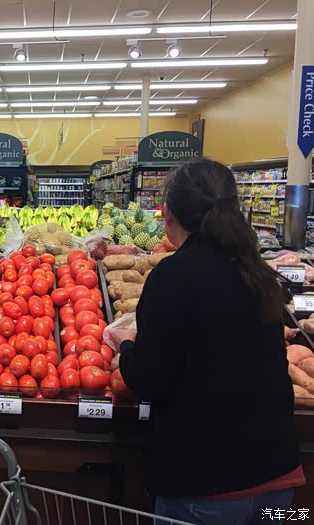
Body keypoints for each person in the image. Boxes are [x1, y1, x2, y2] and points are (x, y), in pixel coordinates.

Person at [118, 158, 304, 524]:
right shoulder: (257, 272)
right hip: (279, 483)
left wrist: (126, 347)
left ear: (168, 213)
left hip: (206, 488)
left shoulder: (173, 276)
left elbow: (148, 380)